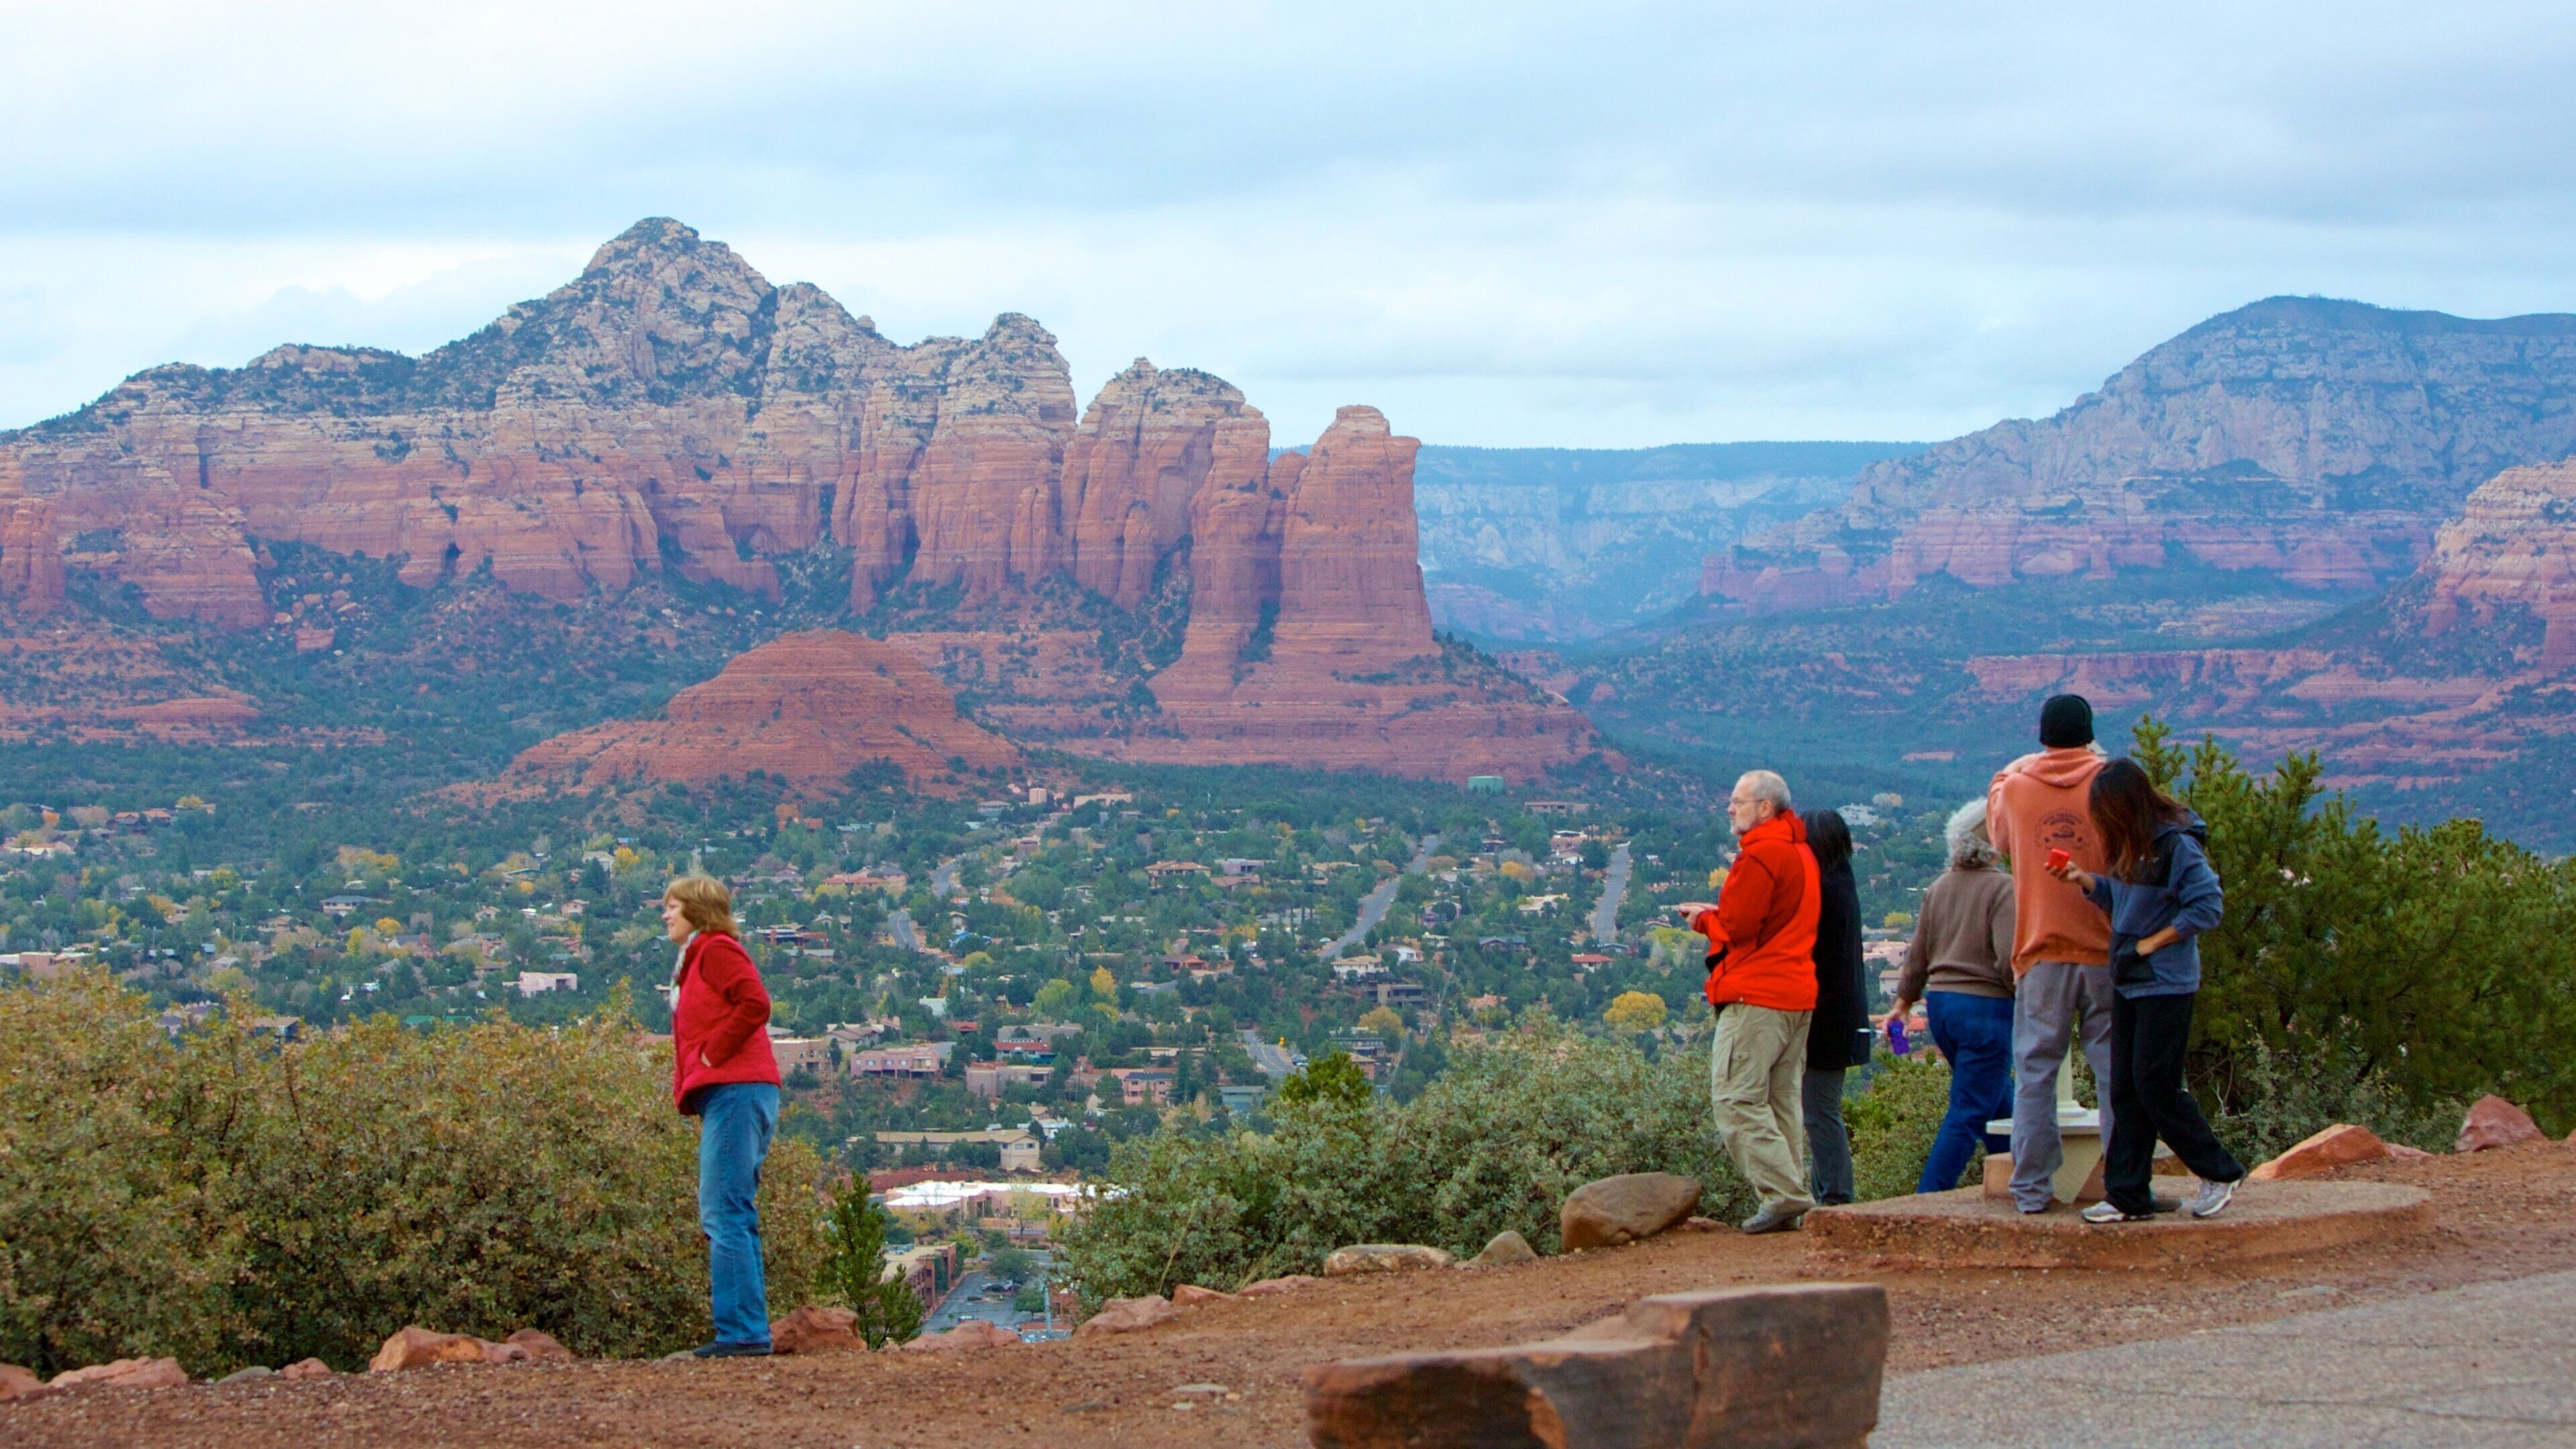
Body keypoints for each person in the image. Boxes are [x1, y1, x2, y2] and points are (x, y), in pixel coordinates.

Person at [2049, 761, 2248, 1223]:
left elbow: (2208, 905)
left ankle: (2219, 1170)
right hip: (2131, 979)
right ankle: (2127, 1194)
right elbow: (2125, 901)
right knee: (2126, 1090)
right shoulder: (2134, 846)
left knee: (2155, 1084)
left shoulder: (2175, 844)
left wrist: (2150, 945)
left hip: (2166, 982)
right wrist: (2084, 880)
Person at [1986, 693, 2116, 1214]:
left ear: (2042, 735)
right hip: (2106, 946)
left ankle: (2032, 1188)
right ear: (2089, 733)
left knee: (2036, 1070)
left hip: (2040, 948)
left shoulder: (2017, 789)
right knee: (2113, 1073)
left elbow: (1997, 837)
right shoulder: (2110, 785)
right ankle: (2126, 1180)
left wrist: (2010, 770)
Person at [1680, 769, 1821, 1234]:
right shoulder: (1803, 853)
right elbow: (1766, 920)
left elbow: (1740, 928)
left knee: (1737, 1099)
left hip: (1756, 995)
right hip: (1797, 994)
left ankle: (1786, 1196)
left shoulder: (1761, 856)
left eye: (1738, 801)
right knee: (1781, 1101)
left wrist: (1703, 919)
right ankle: (1789, 1201)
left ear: (1765, 808)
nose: (1729, 808)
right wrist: (1718, 914)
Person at [664, 873, 784, 1357]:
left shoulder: (715, 950)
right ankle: (747, 1329)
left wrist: (713, 1055)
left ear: (697, 908)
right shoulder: (696, 958)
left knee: (722, 1209)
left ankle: (741, 1335)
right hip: (733, 1093)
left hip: (736, 1090)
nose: (665, 914)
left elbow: (755, 1003)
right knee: (734, 1208)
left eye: (672, 906)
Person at [1883, 799, 2017, 1195]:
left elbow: (1917, 955)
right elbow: (2009, 957)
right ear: (1994, 845)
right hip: (1986, 1008)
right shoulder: (2002, 888)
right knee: (1969, 1111)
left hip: (1941, 1007)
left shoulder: (1938, 888)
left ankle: (2015, 1178)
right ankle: (1927, 1197)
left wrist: (1903, 1003)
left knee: (1996, 1099)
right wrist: (2029, 1000)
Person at [1800, 808, 1872, 1207]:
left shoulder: (1823, 889)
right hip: (1843, 1016)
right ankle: (1825, 1191)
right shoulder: (1843, 883)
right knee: (1819, 1107)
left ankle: (1836, 1195)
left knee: (1819, 1109)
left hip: (1826, 1018)